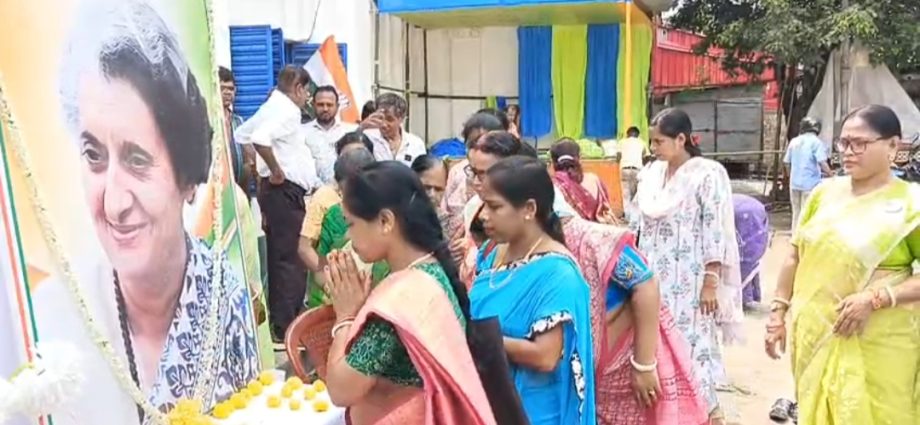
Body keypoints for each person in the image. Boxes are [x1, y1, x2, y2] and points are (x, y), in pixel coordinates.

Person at [43, 1, 258, 423]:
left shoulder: (224, 300)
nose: (114, 203)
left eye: (138, 159)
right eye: (94, 155)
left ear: (186, 177)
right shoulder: (53, 316)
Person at [765, 105, 920, 424]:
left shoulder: (910, 204)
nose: (847, 152)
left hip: (879, 343)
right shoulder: (823, 194)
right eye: (843, 143)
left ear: (893, 145)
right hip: (814, 333)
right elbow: (796, 255)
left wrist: (875, 299)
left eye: (860, 143)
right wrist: (777, 314)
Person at [322, 161, 496, 424]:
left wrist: (345, 317)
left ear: (385, 221)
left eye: (352, 224)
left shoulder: (399, 302)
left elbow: (341, 391)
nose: (349, 236)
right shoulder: (433, 270)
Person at [634, 108, 743, 425]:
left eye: (659, 141)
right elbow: (638, 222)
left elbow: (714, 227)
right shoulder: (652, 174)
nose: (653, 148)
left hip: (690, 278)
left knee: (690, 343)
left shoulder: (707, 174)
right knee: (654, 340)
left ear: (681, 139)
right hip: (653, 275)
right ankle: (666, 411)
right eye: (652, 142)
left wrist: (710, 281)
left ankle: (704, 412)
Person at [470, 155, 596, 425]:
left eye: (494, 207)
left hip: (532, 413)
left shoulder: (557, 273)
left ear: (529, 209)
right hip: (486, 405)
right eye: (484, 205)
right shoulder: (491, 253)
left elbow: (545, 356)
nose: (483, 216)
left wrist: (476, 338)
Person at [562, 217, 709, 425]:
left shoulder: (590, 237)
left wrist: (644, 365)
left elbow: (644, 282)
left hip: (625, 359)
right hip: (587, 369)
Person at [235, 65, 319, 343]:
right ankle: (287, 326)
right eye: (306, 92)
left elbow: (242, 135)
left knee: (283, 257)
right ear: (298, 88)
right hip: (283, 191)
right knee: (290, 260)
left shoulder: (272, 106)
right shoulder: (287, 110)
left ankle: (286, 322)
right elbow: (258, 139)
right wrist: (274, 170)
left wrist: (258, 167)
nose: (307, 98)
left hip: (278, 193)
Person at [298, 148, 378, 308]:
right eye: (343, 193)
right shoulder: (333, 213)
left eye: (354, 193)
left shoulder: (384, 214)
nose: (347, 202)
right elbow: (316, 262)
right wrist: (335, 290)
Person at [442, 112, 506, 244]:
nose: (479, 148)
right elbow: (445, 210)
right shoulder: (457, 171)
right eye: (473, 143)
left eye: (486, 143)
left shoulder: (505, 174)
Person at [550, 138, 617, 224]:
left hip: (572, 231)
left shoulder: (553, 184)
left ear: (553, 162)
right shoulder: (594, 180)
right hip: (600, 230)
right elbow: (605, 211)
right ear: (579, 158)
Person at [783, 117, 832, 231]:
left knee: (796, 212)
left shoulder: (794, 141)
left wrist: (790, 176)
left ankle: (795, 236)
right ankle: (804, 237)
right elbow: (822, 162)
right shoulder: (816, 142)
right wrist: (831, 174)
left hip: (794, 184)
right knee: (807, 213)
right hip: (810, 184)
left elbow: (786, 162)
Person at [303, 85, 358, 183]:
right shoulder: (302, 132)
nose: (325, 109)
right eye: (320, 104)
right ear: (313, 105)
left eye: (329, 105)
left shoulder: (350, 131)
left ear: (337, 106)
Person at [360, 93, 426, 165]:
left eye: (389, 119)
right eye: (380, 118)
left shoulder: (415, 144)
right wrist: (361, 127)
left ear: (401, 118)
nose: (383, 124)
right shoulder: (368, 138)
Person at [218, 66, 255, 193]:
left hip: (238, 191)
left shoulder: (238, 122)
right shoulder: (206, 121)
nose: (228, 93)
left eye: (231, 89)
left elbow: (247, 161)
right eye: (222, 88)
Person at [733, 194, 769, 310]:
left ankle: (744, 298)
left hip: (744, 212)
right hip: (754, 210)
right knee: (751, 254)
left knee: (743, 255)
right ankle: (752, 295)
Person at [618, 126, 649, 223]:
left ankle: (628, 218)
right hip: (637, 170)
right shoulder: (642, 142)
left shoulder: (622, 142)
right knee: (637, 194)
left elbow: (618, 156)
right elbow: (647, 157)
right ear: (638, 135)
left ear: (627, 134)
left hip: (625, 169)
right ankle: (636, 217)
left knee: (626, 194)